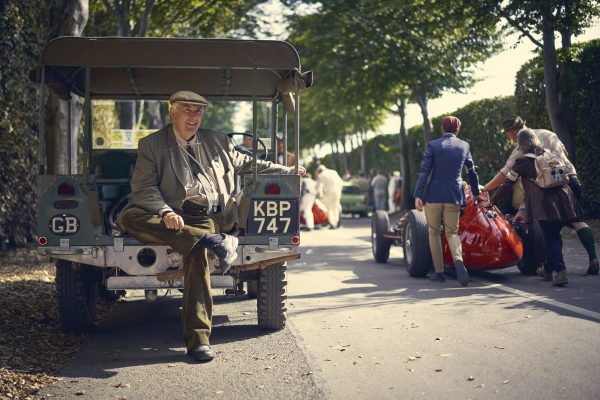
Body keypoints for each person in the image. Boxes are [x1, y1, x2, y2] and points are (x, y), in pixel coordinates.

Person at [118, 91, 304, 363]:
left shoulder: (218, 141)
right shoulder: (152, 144)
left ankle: (198, 340)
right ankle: (211, 240)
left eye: (198, 111)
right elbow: (143, 188)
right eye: (187, 110)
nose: (194, 117)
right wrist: (166, 211)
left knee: (194, 252)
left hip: (204, 216)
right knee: (128, 216)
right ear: (173, 113)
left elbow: (249, 164)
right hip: (168, 214)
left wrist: (287, 170)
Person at [484, 115, 598, 275]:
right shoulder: (549, 134)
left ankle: (555, 268)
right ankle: (593, 258)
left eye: (507, 134)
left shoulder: (520, 148)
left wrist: (486, 189)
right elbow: (564, 152)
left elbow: (505, 175)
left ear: (512, 132)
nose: (508, 137)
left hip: (546, 189)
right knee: (577, 221)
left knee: (550, 229)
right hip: (569, 180)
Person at [414, 116, 481, 286]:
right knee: (452, 232)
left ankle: (439, 272)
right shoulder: (464, 146)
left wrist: (418, 195)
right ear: (458, 130)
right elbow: (471, 172)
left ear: (442, 129)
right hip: (454, 195)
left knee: (434, 232)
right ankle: (458, 260)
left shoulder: (433, 145)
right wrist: (475, 193)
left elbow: (424, 171)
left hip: (434, 196)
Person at [314, 164, 344, 229]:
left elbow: (318, 187)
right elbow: (341, 182)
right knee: (336, 207)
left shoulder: (321, 175)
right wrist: (339, 190)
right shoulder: (333, 172)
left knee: (329, 208)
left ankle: (332, 224)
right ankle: (337, 222)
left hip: (329, 193)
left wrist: (317, 194)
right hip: (337, 192)